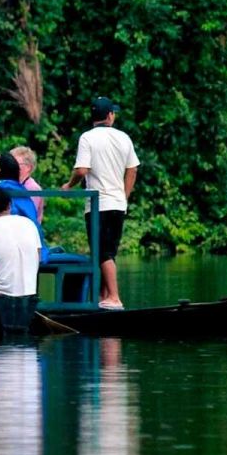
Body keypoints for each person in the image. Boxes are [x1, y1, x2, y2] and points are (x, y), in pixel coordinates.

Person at [61, 96, 139, 311]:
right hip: (117, 203)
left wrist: (69, 185)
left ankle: (114, 297)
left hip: (98, 205)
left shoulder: (87, 138)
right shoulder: (124, 137)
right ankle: (104, 297)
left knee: (102, 253)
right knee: (108, 251)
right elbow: (132, 169)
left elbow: (82, 170)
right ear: (110, 115)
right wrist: (124, 196)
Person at [10, 146, 44, 222]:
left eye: (14, 163)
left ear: (28, 167)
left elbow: (28, 217)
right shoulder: (12, 184)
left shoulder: (33, 188)